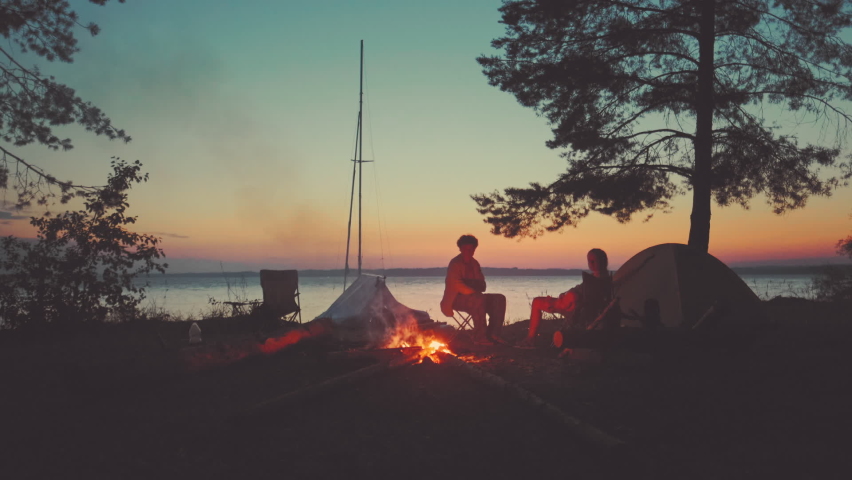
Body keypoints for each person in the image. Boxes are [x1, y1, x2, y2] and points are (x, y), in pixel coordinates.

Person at [516, 248, 614, 349]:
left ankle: (530, 339)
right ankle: (532, 337)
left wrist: (568, 297)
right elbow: (578, 290)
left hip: (575, 310)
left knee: (537, 302)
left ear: (602, 261)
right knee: (565, 296)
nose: (591, 264)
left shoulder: (596, 282)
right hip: (570, 304)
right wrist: (565, 294)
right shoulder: (597, 279)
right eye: (589, 261)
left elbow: (585, 300)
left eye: (594, 261)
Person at [440, 235, 507, 345]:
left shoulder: (475, 264)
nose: (469, 251)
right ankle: (479, 337)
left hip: (475, 298)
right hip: (455, 300)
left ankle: (494, 334)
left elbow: (482, 285)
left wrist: (471, 286)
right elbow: (457, 285)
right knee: (479, 298)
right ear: (460, 249)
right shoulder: (455, 264)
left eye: (472, 249)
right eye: (467, 249)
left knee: (499, 298)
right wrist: (473, 288)